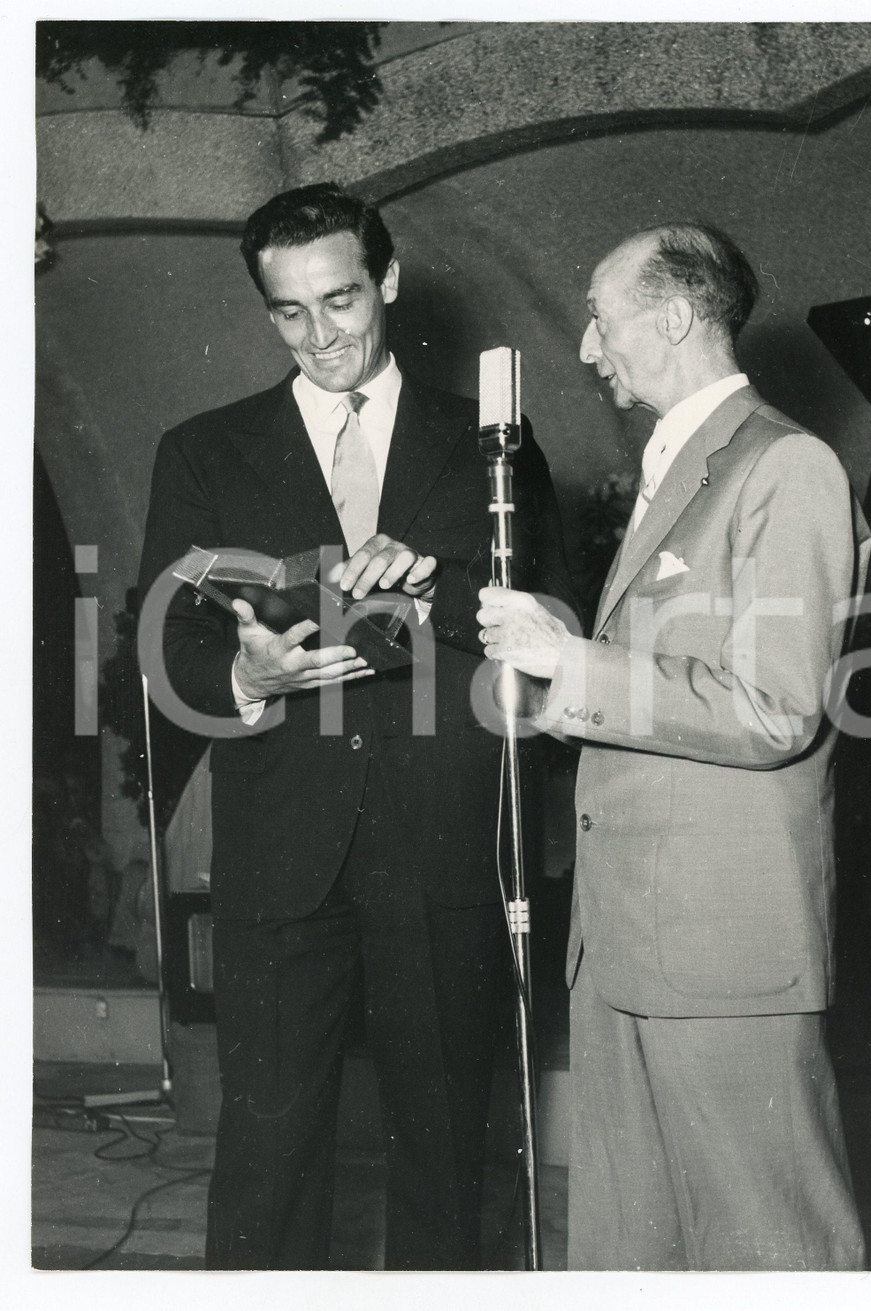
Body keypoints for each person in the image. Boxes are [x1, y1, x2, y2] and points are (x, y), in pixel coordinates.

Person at [137, 183, 574, 1270]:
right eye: (289, 312)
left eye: (340, 300)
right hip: (282, 849)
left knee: (446, 1152)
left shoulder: (490, 445)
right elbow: (163, 648)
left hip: (444, 838)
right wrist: (244, 675)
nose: (321, 335)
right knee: (267, 1154)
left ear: (387, 281)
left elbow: (558, 627)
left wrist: (440, 596)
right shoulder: (204, 451)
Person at [477, 223, 871, 1270]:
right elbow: (663, 682)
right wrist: (554, 678)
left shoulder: (784, 465)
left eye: (599, 320)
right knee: (631, 1251)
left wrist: (575, 664)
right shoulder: (679, 467)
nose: (586, 349)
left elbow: (774, 708)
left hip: (720, 946)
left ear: (676, 317)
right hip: (628, 941)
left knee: (768, 1248)